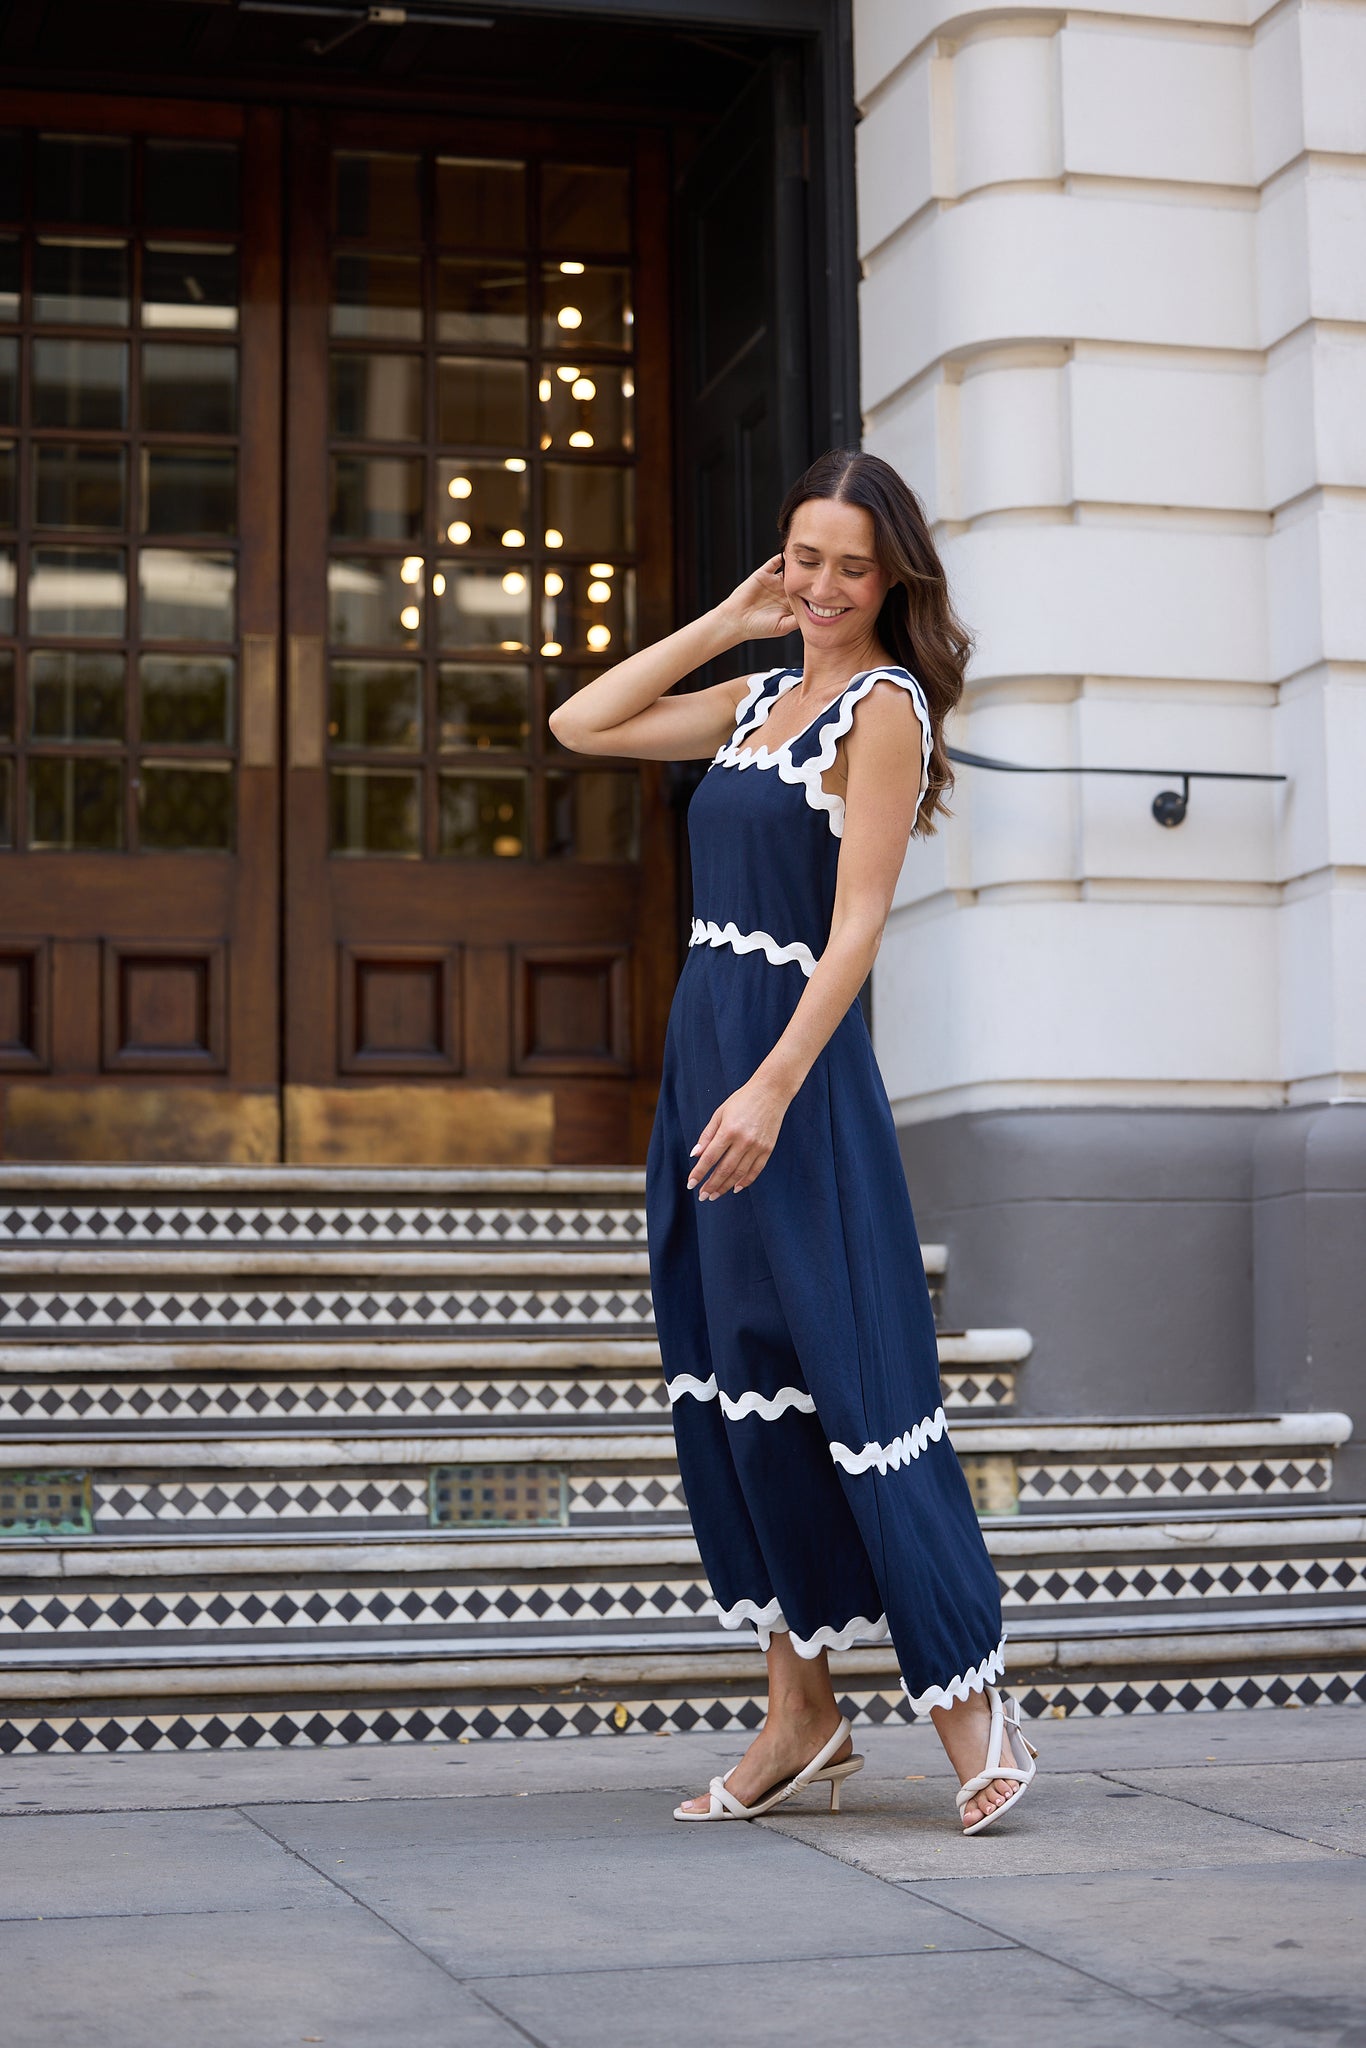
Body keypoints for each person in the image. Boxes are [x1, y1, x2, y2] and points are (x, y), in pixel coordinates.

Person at [548, 447, 1038, 1835]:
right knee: (738, 1381)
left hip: (794, 1079)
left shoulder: (885, 711)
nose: (824, 586)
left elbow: (859, 924)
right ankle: (800, 1715)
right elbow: (581, 722)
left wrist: (770, 1089)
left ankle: (968, 1709)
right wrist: (726, 620)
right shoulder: (756, 698)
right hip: (705, 1066)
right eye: (805, 559)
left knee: (854, 1377)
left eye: (850, 567)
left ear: (893, 580)